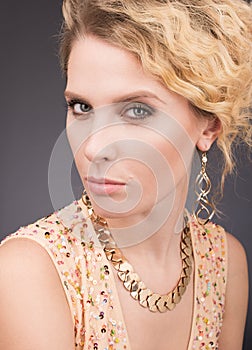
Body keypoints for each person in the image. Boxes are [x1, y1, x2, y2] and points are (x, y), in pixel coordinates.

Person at [0, 0, 251, 349]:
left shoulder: (223, 263)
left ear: (208, 126)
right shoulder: (29, 272)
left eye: (136, 110)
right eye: (81, 107)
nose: (93, 147)